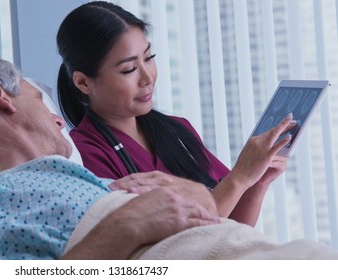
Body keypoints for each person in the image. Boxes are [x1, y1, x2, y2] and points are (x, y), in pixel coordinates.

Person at [0, 56, 338, 260]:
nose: (56, 117)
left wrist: (200, 193)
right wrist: (127, 224)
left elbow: (202, 214)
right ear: (0, 97)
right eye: (38, 99)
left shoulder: (82, 176)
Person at [56, 1, 294, 226]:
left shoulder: (177, 130)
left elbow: (232, 227)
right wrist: (240, 178)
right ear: (83, 83)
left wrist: (256, 184)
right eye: (129, 69)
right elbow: (180, 241)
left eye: (149, 58)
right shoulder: (84, 155)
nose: (148, 78)